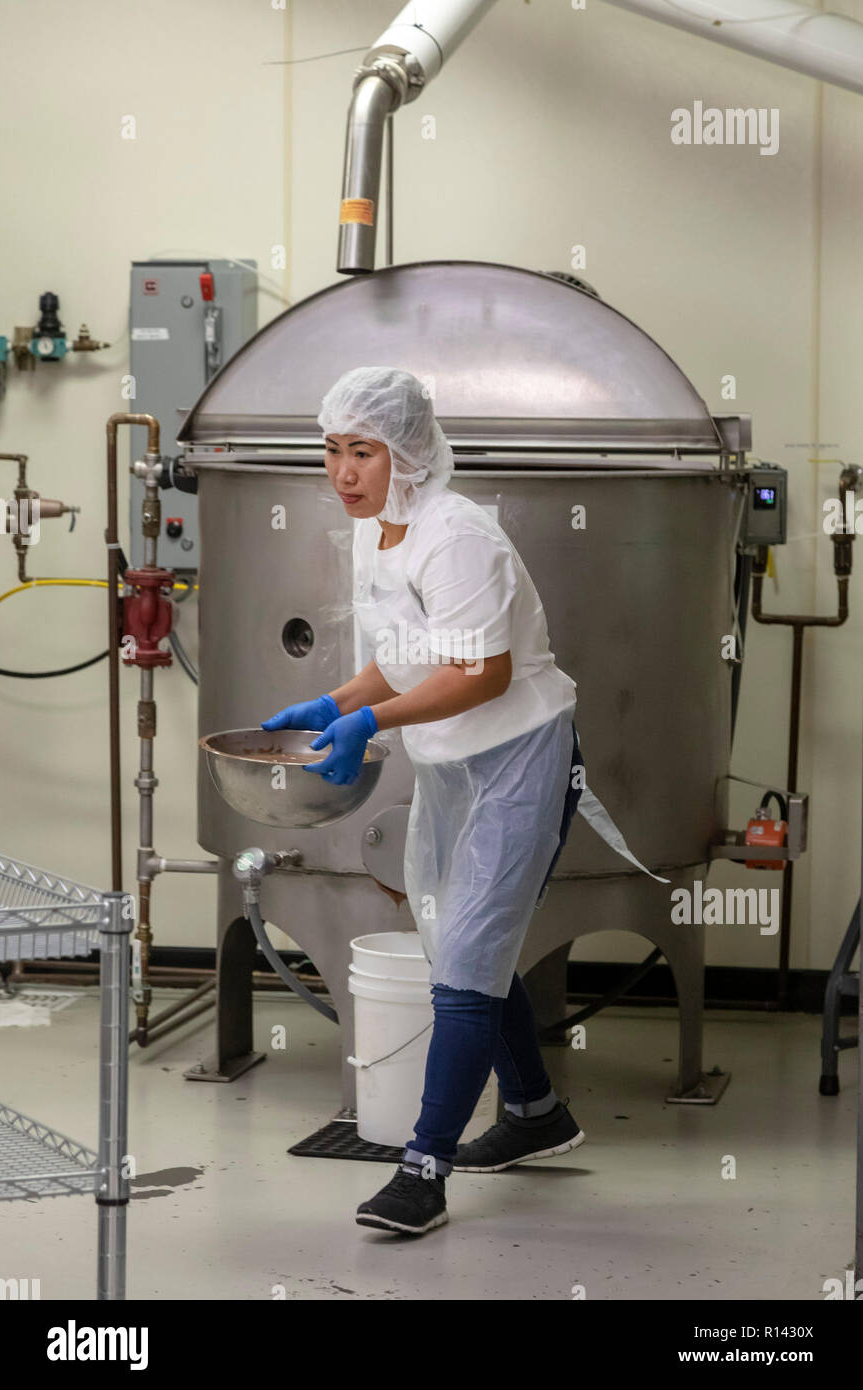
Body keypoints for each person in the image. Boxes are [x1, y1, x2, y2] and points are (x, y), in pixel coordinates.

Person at [263, 365, 662, 1237]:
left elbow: (479, 675)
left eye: (360, 452)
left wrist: (368, 720)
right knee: (459, 943)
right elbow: (410, 656)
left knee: (471, 958)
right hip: (452, 764)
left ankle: (423, 1169)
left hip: (520, 759)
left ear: (404, 452)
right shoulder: (378, 530)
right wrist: (335, 705)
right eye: (330, 451)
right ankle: (535, 1114)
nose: (341, 472)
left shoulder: (457, 538)